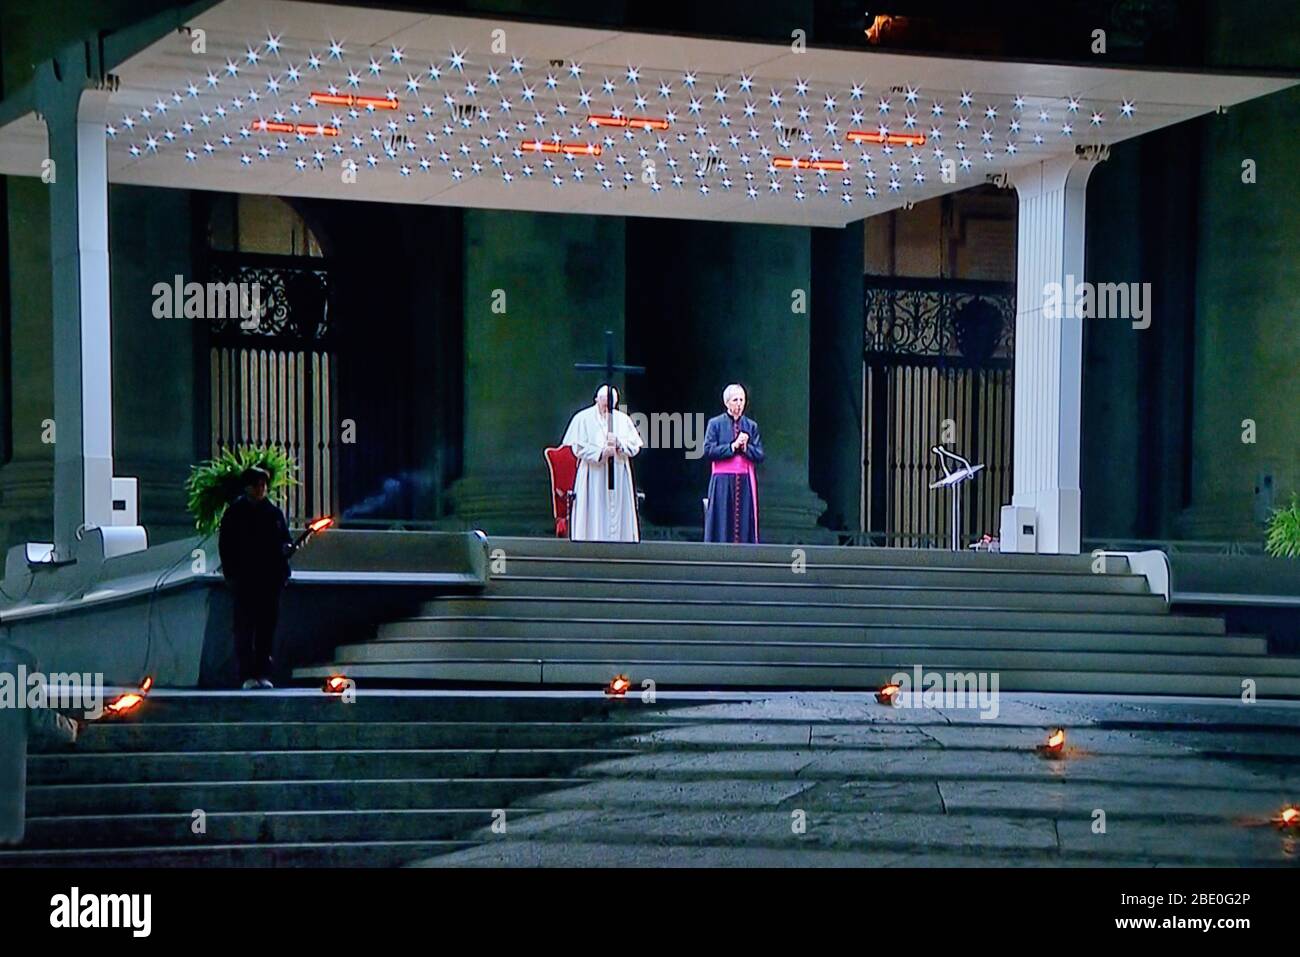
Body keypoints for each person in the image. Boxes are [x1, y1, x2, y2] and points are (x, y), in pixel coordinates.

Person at [218, 466, 292, 689]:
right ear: (248, 487)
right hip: (245, 579)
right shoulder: (235, 513)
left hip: (270, 579)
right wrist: (231, 574)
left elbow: (284, 541)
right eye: (257, 485)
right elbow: (227, 547)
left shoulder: (273, 513)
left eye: (263, 485)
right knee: (245, 628)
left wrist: (286, 550)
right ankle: (246, 674)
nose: (261, 489)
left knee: (266, 628)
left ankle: (263, 673)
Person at [561, 385, 644, 541]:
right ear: (596, 400)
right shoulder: (583, 418)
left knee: (618, 516)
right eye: (604, 403)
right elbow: (577, 447)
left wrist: (619, 444)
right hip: (593, 474)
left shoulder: (623, 419)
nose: (607, 408)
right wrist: (600, 453)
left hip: (618, 475)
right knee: (594, 513)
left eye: (610, 405)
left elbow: (635, 447)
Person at [704, 383, 765, 543]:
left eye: (742, 400)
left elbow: (760, 454)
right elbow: (708, 450)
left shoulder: (751, 426)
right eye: (735, 400)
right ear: (726, 402)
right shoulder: (715, 424)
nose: (739, 404)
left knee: (744, 522)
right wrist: (732, 446)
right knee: (722, 520)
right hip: (722, 482)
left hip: (744, 482)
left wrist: (745, 448)